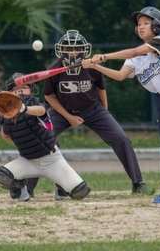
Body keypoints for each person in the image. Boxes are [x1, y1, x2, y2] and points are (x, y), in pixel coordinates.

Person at [84, 7, 160, 204]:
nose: (141, 27)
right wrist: (95, 66)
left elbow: (136, 50)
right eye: (139, 24)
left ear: (157, 26)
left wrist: (104, 56)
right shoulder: (135, 59)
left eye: (146, 23)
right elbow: (120, 76)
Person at [24, 30, 146, 199]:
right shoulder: (54, 68)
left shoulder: (91, 67)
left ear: (85, 50)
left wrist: (104, 112)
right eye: (68, 49)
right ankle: (28, 188)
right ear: (61, 50)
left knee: (121, 138)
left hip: (93, 109)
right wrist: (69, 117)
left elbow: (101, 89)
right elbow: (49, 96)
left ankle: (138, 182)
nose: (73, 53)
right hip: (61, 111)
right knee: (41, 138)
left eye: (77, 49)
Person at [0, 72, 91, 202]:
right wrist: (24, 144)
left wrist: (24, 108)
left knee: (80, 191)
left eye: (24, 87)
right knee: (3, 176)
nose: (20, 90)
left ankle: (60, 185)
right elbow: (5, 135)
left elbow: (42, 111)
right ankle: (20, 187)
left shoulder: (34, 104)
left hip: (52, 159)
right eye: (15, 88)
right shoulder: (7, 115)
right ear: (9, 93)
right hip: (28, 161)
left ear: (31, 90)